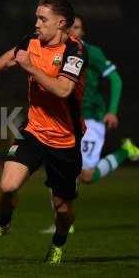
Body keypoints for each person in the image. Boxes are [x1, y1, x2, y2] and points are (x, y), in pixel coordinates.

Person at [0, 0, 86, 264]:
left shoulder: (75, 51)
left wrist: (30, 67)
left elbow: (64, 90)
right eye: (37, 18)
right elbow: (12, 57)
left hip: (65, 140)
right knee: (7, 186)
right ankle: (3, 225)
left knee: (62, 209)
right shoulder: (32, 40)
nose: (37, 23)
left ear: (61, 23)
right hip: (34, 131)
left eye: (43, 19)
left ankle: (58, 242)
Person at [41, 15, 139, 234]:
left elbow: (116, 79)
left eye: (77, 27)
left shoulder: (91, 53)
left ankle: (124, 152)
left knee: (86, 176)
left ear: (83, 31)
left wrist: (112, 111)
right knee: (57, 168)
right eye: (70, 26)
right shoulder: (57, 51)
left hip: (91, 119)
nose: (72, 31)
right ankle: (62, 221)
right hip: (65, 120)